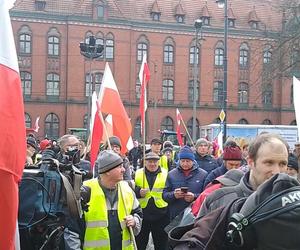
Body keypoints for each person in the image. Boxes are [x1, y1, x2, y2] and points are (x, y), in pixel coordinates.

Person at [198, 133, 288, 218]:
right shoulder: (218, 200)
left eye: (283, 164)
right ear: (250, 162)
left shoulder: (294, 203)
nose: (277, 172)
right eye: (269, 163)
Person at [81, 150, 143, 249]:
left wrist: (135, 221)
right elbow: (73, 229)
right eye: (119, 167)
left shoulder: (127, 189)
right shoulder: (86, 190)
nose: (124, 170)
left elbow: (138, 213)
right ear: (108, 171)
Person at [134, 152, 169, 250]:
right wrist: (138, 192)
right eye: (150, 161)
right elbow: (129, 189)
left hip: (161, 215)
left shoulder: (166, 173)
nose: (152, 164)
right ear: (145, 162)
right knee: (140, 244)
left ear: (158, 162)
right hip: (142, 215)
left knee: (161, 244)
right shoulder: (137, 173)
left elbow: (170, 190)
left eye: (155, 162)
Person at [163, 146, 208, 220]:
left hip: (195, 215)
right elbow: (164, 195)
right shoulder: (171, 174)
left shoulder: (203, 174)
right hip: (176, 216)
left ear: (193, 161)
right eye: (183, 161)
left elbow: (207, 195)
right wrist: (174, 195)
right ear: (179, 161)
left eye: (188, 161)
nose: (185, 164)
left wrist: (194, 197)